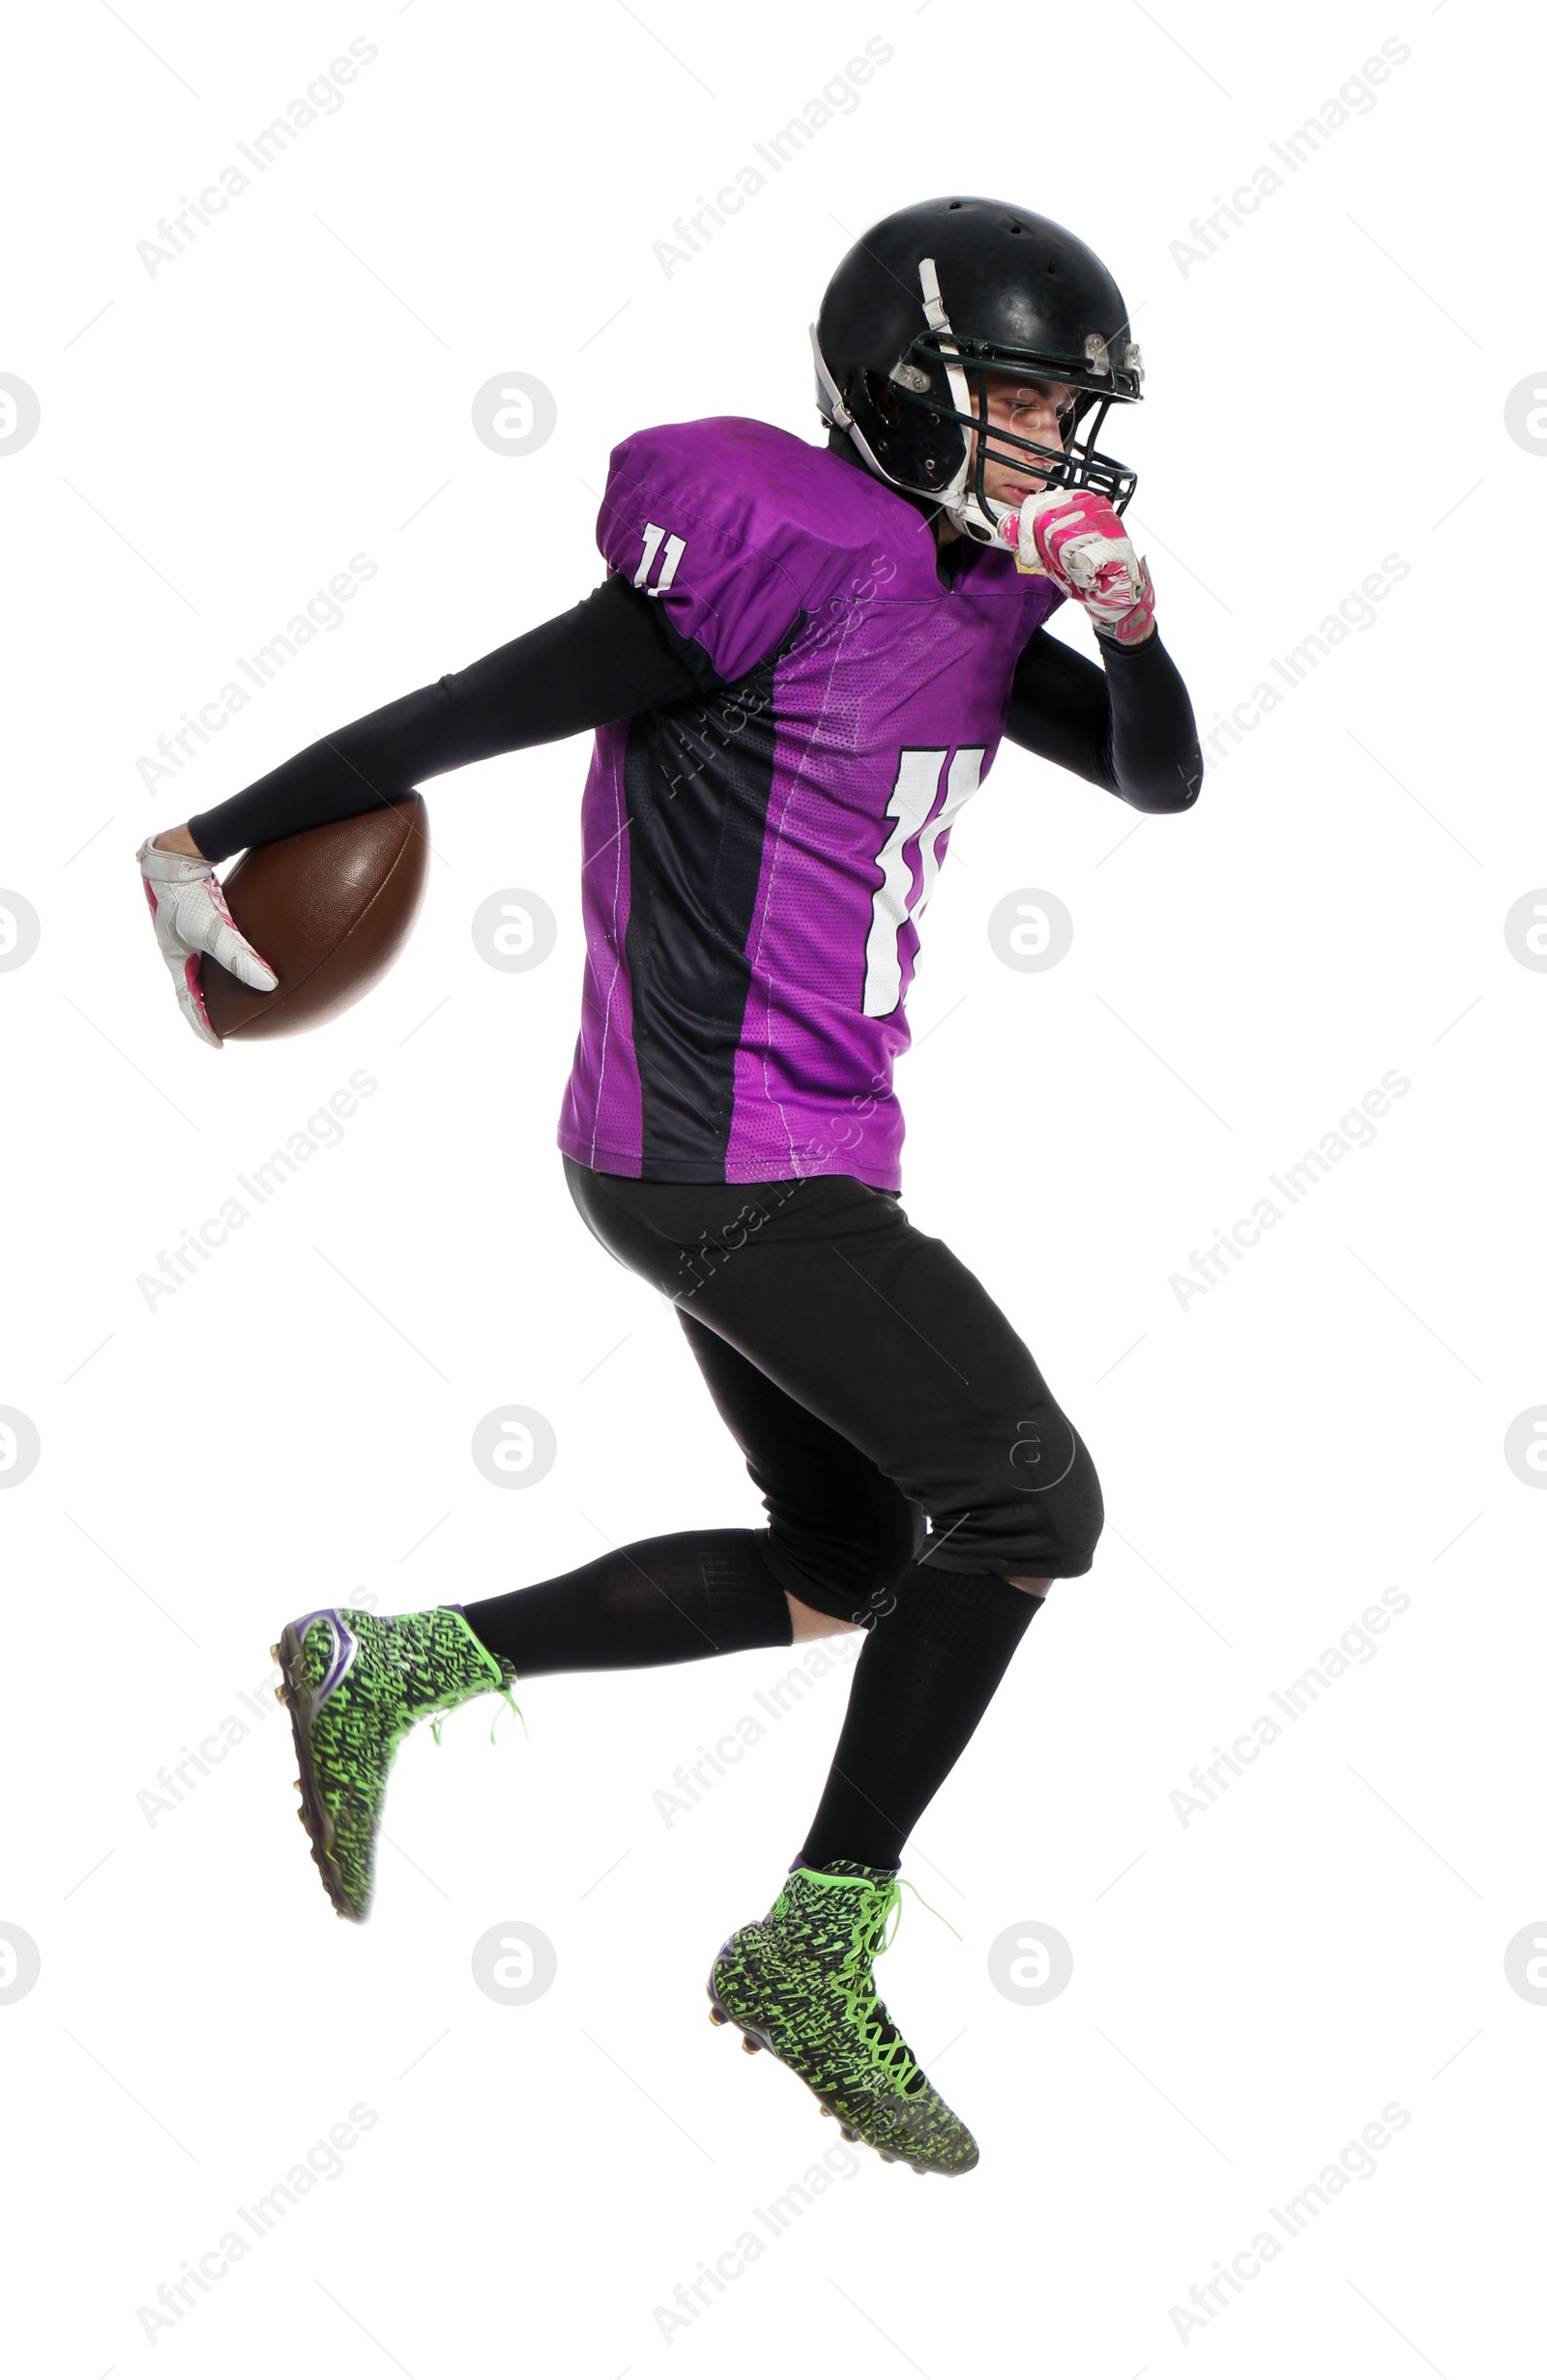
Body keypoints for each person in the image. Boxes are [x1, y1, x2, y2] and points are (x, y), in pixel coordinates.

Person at [136, 196, 1202, 2176]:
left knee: (850, 1569)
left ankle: (394, 1663)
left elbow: (1160, 778)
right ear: (904, 395)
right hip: (738, 1165)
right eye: (1029, 403)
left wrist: (1126, 625)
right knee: (1031, 1501)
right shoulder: (771, 545)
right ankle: (818, 1941)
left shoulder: (974, 598)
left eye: (1076, 413)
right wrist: (214, 834)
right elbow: (473, 706)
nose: (1059, 446)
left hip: (744, 1158)